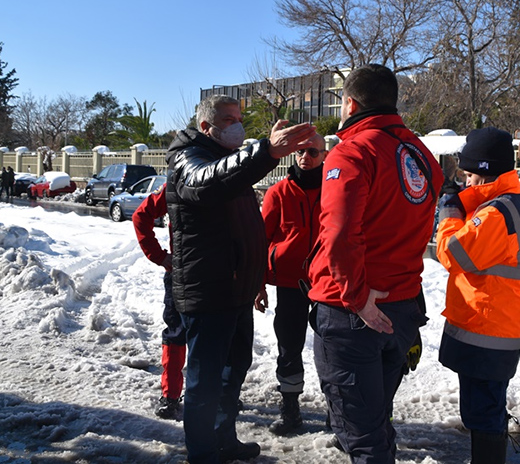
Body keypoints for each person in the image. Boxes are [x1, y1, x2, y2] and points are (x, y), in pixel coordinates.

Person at [166, 94, 315, 464]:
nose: (237, 125)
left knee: (233, 370)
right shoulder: (188, 157)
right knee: (206, 378)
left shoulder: (224, 159)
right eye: (229, 119)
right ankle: (201, 452)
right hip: (208, 289)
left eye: (239, 117)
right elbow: (207, 182)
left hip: (236, 288)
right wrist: (266, 150)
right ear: (206, 127)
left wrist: (255, 281)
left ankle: (223, 438)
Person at [308, 64, 443, 463]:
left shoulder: (352, 152)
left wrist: (356, 296)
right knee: (377, 421)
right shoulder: (421, 155)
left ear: (350, 103)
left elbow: (339, 233)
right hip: (401, 306)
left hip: (354, 313)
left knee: (361, 434)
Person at [435, 127, 520, 464]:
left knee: (483, 412)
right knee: (486, 406)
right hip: (497, 322)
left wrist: (449, 213)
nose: (465, 183)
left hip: (489, 327)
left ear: (484, 171)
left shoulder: (496, 213)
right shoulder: (507, 204)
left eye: (469, 175)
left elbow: (453, 253)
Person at [254, 134, 328, 436]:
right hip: (289, 282)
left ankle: (336, 414)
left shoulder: (336, 190)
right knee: (289, 347)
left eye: (312, 152)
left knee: (333, 351)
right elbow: (261, 240)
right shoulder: (278, 192)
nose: (305, 157)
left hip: (329, 282)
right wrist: (259, 284)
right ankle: (290, 409)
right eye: (300, 152)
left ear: (324, 155)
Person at [131, 182, 186, 420]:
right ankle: (171, 395)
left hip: (219, 275)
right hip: (181, 275)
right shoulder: (176, 183)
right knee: (176, 335)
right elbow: (141, 216)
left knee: (218, 338)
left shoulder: (227, 176)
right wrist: (161, 257)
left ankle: (221, 393)